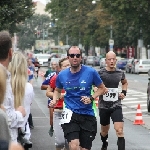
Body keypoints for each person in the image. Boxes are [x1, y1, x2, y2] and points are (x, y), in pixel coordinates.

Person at [50, 46, 108, 150]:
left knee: (84, 148)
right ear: (68, 57)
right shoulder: (62, 75)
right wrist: (54, 100)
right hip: (70, 114)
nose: (75, 57)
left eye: (77, 55)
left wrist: (91, 97)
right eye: (72, 55)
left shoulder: (91, 72)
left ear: (81, 57)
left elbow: (102, 89)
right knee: (73, 145)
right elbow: (57, 90)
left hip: (87, 115)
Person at [98, 51, 128, 150]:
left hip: (116, 105)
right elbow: (93, 85)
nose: (111, 61)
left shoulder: (120, 73)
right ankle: (104, 143)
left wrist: (123, 92)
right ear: (106, 61)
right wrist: (98, 91)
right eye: (109, 59)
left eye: (113, 59)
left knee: (119, 130)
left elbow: (124, 83)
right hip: (103, 106)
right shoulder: (100, 73)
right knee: (104, 131)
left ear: (116, 60)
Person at [0, 30, 26, 142]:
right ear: (10, 52)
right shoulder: (2, 77)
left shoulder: (6, 75)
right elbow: (6, 118)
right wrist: (20, 113)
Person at [8, 51, 34, 147]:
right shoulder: (29, 88)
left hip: (7, 135)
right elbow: (29, 105)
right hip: (23, 134)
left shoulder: (5, 87)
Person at [46, 58, 70, 150]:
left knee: (69, 143)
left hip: (72, 112)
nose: (67, 67)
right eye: (65, 66)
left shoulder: (77, 78)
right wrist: (59, 95)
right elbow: (48, 92)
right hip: (59, 112)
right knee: (60, 142)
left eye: (69, 65)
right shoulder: (56, 78)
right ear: (60, 68)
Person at [41, 60, 59, 137]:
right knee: (52, 117)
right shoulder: (52, 75)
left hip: (66, 101)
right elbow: (42, 86)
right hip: (53, 98)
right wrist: (52, 88)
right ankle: (52, 127)